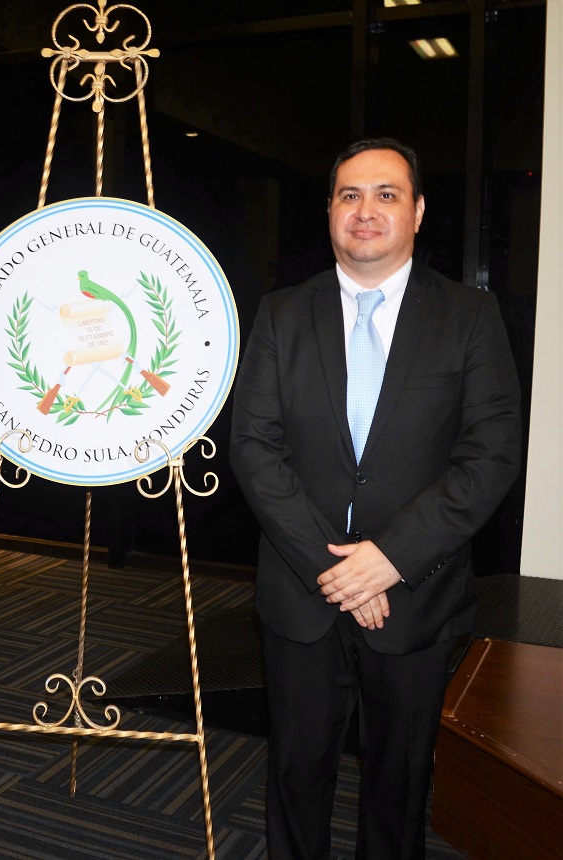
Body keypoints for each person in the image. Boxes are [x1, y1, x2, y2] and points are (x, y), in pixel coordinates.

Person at [229, 138, 522, 859]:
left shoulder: (469, 316)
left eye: (386, 194)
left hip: (416, 597)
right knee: (295, 773)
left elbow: (488, 456)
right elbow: (253, 449)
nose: (366, 211)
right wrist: (339, 571)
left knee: (398, 784)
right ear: (328, 210)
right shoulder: (279, 314)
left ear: (417, 212)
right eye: (349, 195)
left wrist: (389, 559)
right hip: (302, 597)